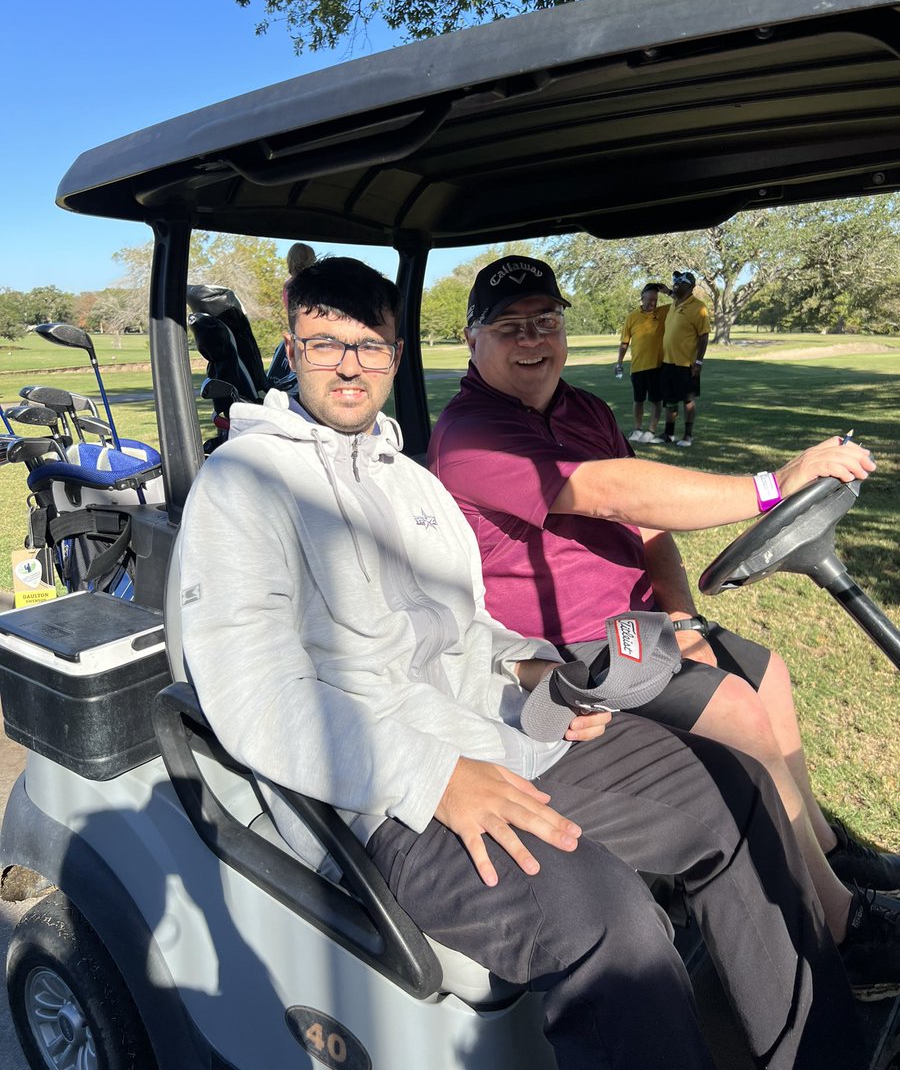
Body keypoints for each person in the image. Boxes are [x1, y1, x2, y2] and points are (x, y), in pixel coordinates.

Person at [179, 256, 868, 1070]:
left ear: (397, 355)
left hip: (507, 739)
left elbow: (471, 631)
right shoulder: (245, 484)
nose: (350, 365)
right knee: (609, 922)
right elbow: (254, 693)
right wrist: (435, 775)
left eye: (370, 346)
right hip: (389, 796)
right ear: (292, 351)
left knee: (733, 784)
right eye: (326, 343)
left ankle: (823, 1052)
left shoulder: (411, 484)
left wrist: (541, 674)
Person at [427, 254, 900, 992]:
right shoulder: (470, 435)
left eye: (546, 321)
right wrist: (773, 486)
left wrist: (679, 612)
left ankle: (825, 852)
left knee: (765, 673)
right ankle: (839, 927)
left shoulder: (586, 411)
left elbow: (646, 522)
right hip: (563, 654)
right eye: (510, 326)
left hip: (637, 627)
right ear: (471, 339)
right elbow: (608, 489)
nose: (533, 340)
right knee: (739, 713)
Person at [615, 282, 669, 443]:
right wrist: (619, 362)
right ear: (642, 298)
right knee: (638, 400)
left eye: (656, 299)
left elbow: (680, 302)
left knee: (655, 401)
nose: (653, 303)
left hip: (657, 366)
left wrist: (668, 291)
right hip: (637, 366)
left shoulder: (663, 312)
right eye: (650, 299)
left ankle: (651, 431)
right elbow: (624, 342)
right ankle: (637, 429)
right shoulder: (632, 317)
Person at [660, 270, 709, 447]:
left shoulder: (698, 307)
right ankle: (669, 434)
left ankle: (688, 436)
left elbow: (704, 336)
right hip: (668, 361)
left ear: (690, 286)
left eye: (679, 283)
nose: (676, 285)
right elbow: (674, 295)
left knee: (688, 400)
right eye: (675, 282)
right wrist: (667, 292)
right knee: (670, 400)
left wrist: (698, 362)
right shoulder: (675, 303)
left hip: (686, 363)